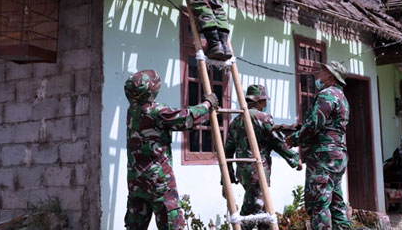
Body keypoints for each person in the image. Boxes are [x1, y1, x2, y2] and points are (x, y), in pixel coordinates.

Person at [124, 69, 219, 230]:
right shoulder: (156, 111)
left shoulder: (132, 111)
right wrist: (208, 104)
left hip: (136, 181)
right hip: (159, 181)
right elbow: (187, 117)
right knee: (171, 224)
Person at [224, 84, 302, 230]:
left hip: (242, 171)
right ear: (259, 101)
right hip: (257, 171)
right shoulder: (262, 118)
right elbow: (277, 142)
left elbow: (227, 151)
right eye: (264, 101)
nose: (266, 104)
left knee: (264, 212)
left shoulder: (235, 121)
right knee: (250, 211)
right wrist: (295, 160)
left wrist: (227, 178)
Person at [286, 61, 350, 230]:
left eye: (322, 71)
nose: (318, 74)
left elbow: (315, 124)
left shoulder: (327, 95)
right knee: (336, 205)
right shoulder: (342, 97)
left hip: (323, 158)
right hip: (337, 157)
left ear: (330, 76)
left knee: (319, 204)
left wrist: (294, 139)